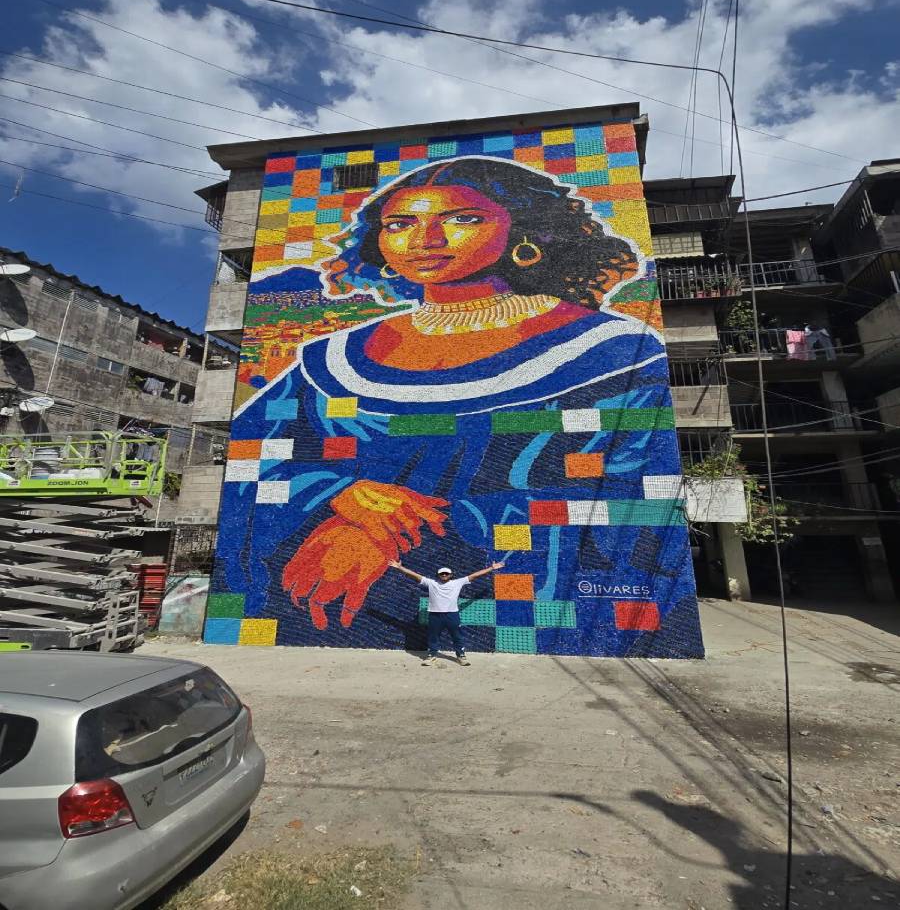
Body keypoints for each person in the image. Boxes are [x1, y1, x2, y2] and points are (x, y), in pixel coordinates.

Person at [214, 156, 700, 656]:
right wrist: (340, 495)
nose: (425, 239)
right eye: (399, 224)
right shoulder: (331, 360)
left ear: (524, 231)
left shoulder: (612, 352)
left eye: (463, 219)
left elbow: (628, 492)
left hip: (514, 610)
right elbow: (251, 456)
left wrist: (394, 531)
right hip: (315, 606)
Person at [389, 559, 505, 664]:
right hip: (435, 615)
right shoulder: (431, 583)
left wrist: (491, 568)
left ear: (451, 575)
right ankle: (432, 655)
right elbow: (414, 575)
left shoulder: (457, 583)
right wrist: (400, 567)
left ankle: (461, 656)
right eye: (442, 573)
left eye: (446, 573)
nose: (444, 575)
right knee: (433, 637)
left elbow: (474, 575)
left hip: (452, 615)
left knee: (457, 636)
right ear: (438, 575)